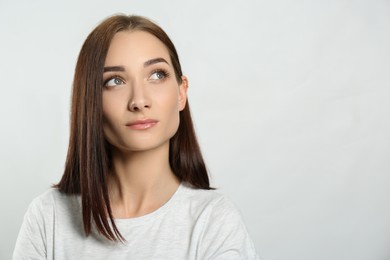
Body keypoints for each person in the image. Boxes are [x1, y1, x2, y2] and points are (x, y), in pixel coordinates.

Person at [13, 14, 260, 259]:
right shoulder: (48, 217)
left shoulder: (215, 223)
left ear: (181, 93)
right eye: (115, 81)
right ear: (90, 102)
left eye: (157, 75)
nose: (139, 101)